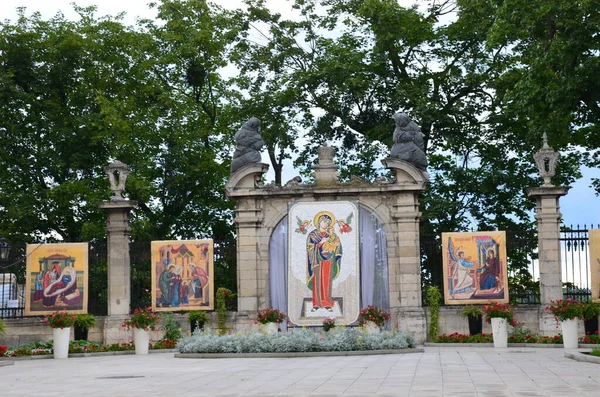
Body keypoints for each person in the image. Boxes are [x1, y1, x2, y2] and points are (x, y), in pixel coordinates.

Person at [306, 211, 342, 312]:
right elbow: (309, 248)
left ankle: (326, 303)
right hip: (316, 260)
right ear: (319, 222)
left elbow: (338, 245)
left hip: (328, 260)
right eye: (324, 221)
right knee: (317, 281)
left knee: (326, 281)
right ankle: (316, 304)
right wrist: (320, 243)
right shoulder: (312, 235)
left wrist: (334, 245)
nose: (326, 224)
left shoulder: (331, 234)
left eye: (328, 222)